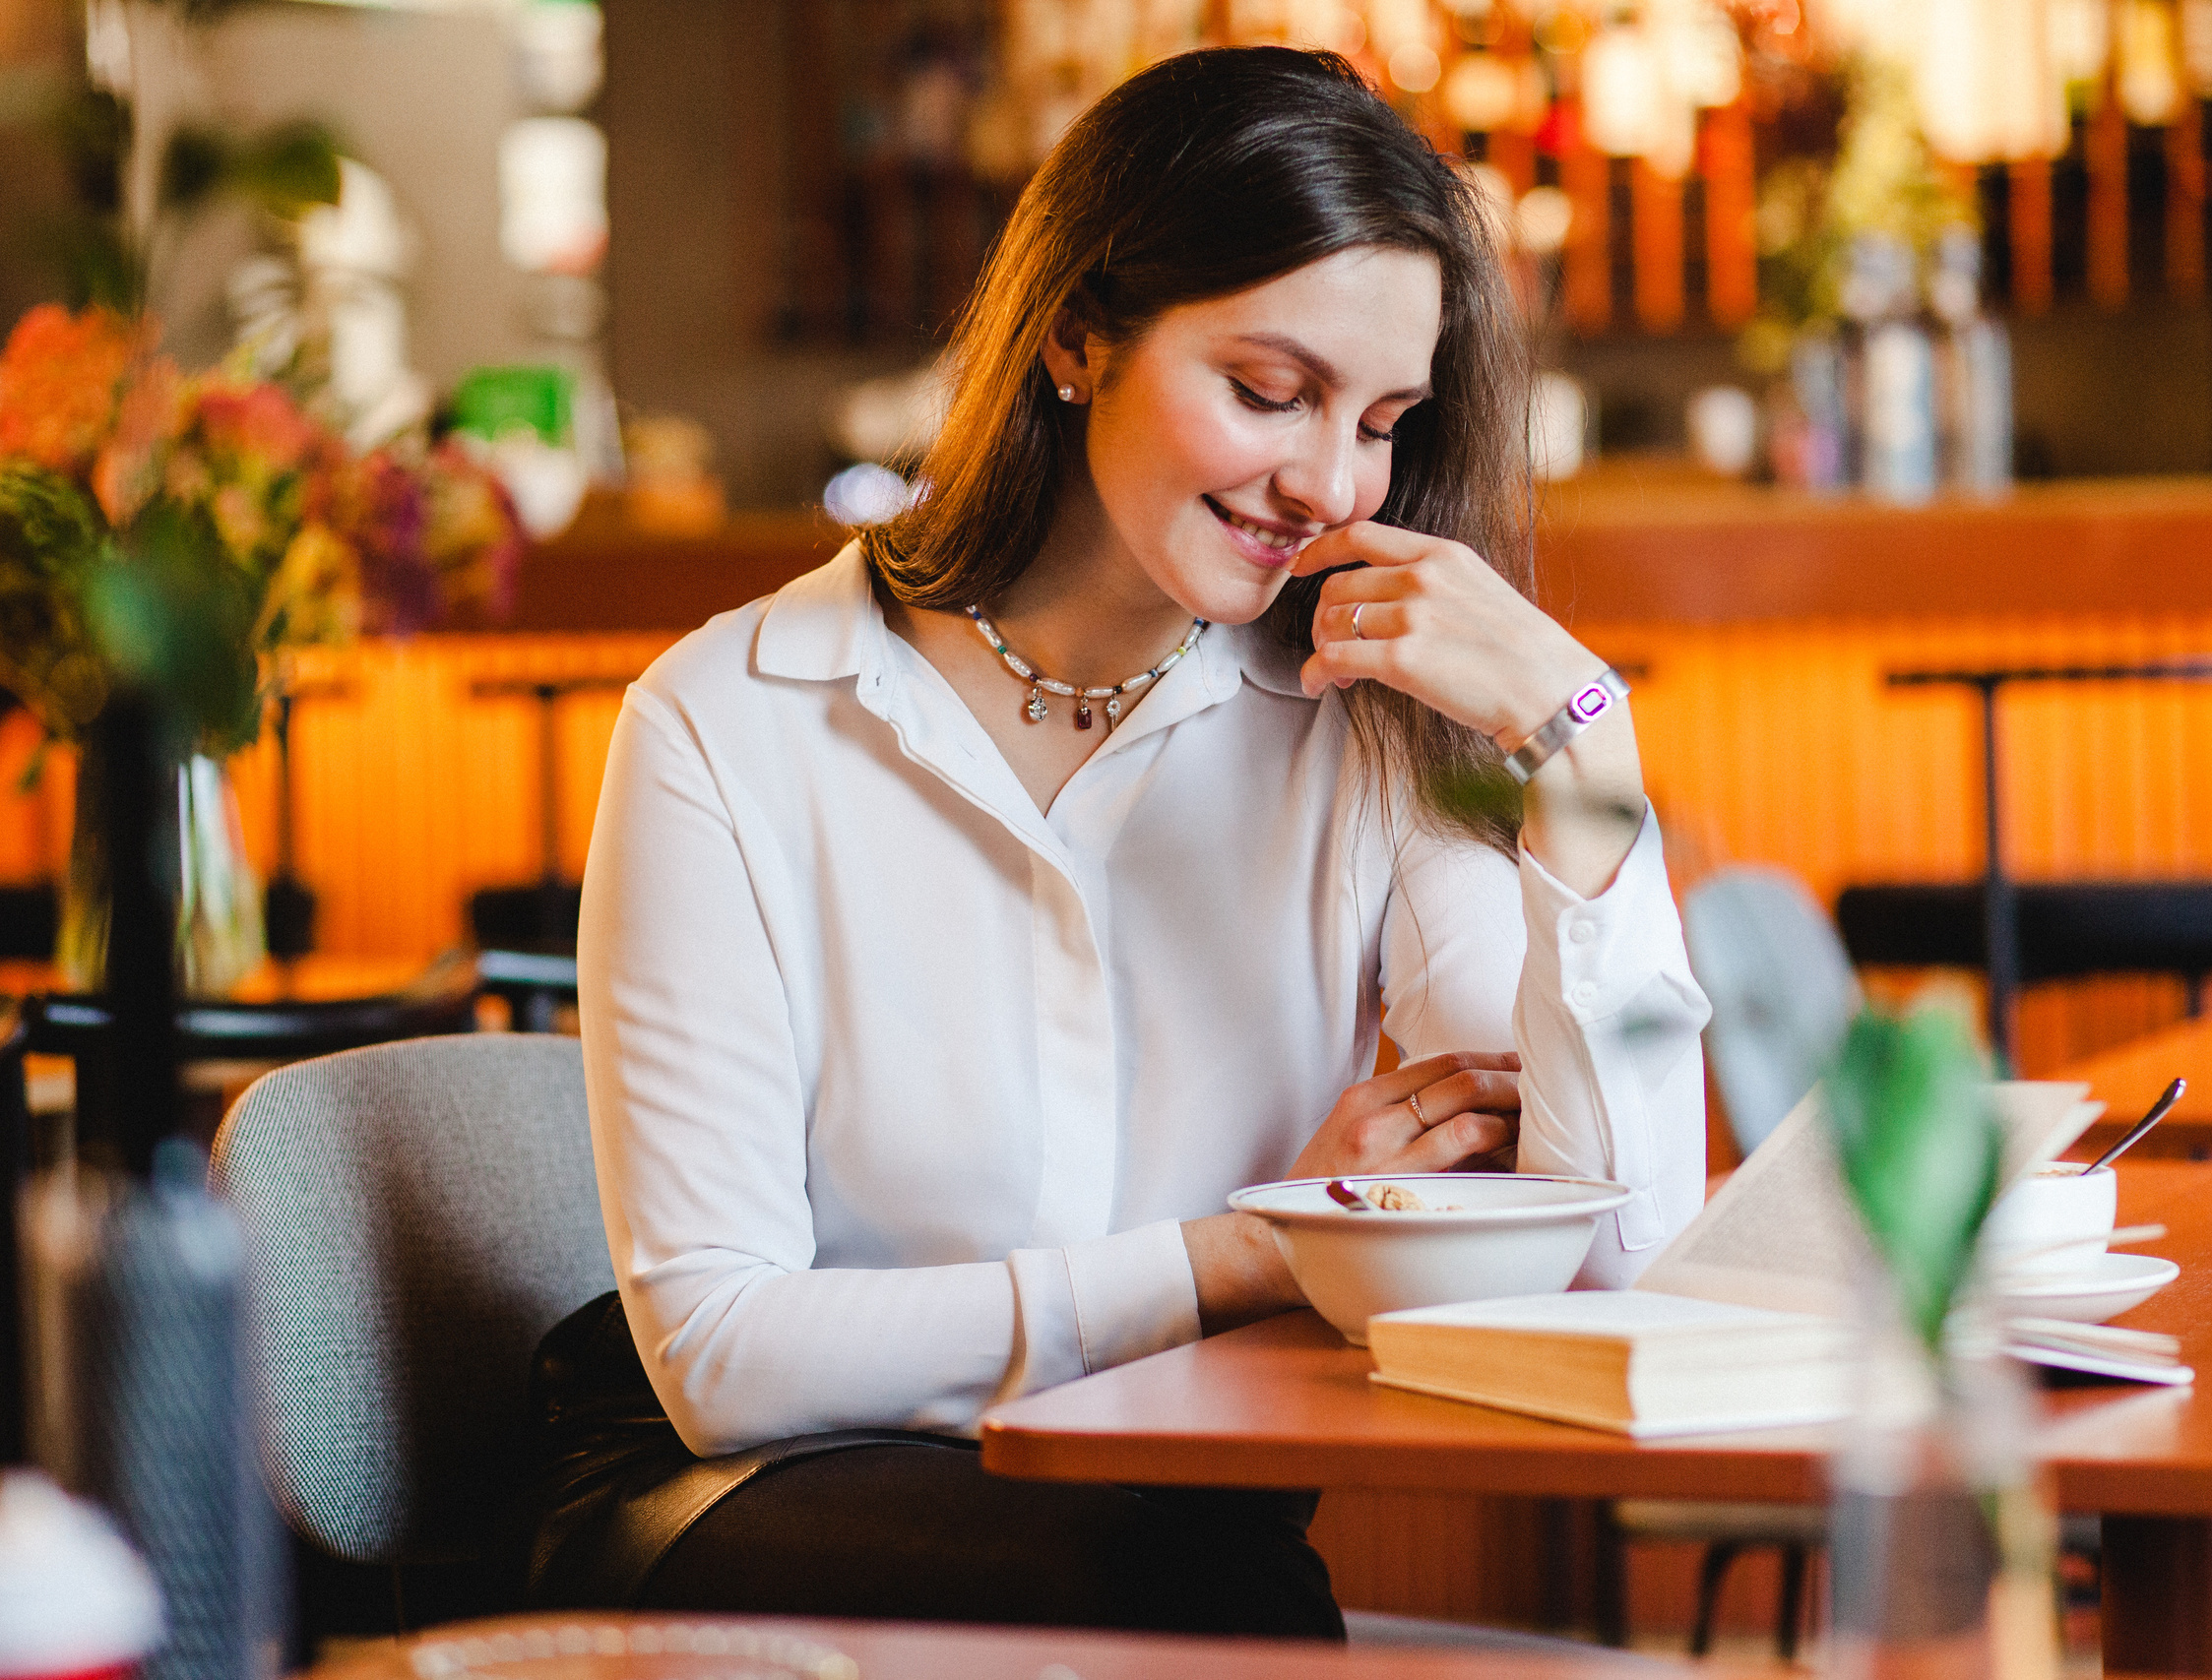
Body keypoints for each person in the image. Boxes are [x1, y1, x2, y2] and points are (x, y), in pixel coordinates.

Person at [531, 43, 1710, 1634]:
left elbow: (1615, 1254)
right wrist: (1253, 1252)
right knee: (1218, 1606)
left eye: (1379, 420)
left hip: (1168, 1540)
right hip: (733, 1516)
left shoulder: (1362, 724)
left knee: (1214, 1595)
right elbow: (724, 1360)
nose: (1329, 480)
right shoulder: (725, 723)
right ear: (1077, 335)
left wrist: (1586, 739)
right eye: (1267, 392)